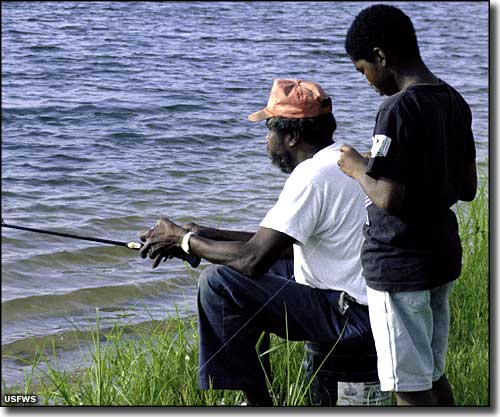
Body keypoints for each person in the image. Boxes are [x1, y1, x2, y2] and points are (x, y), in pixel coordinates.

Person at [139, 79, 374, 406]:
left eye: (269, 130)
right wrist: (204, 234)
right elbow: (279, 244)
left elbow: (253, 259)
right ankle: (262, 391)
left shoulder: (311, 177)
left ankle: (258, 404)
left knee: (219, 283)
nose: (266, 140)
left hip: (349, 317)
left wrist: (185, 240)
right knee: (247, 275)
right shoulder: (340, 160)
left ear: (291, 136)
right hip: (363, 306)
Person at [337, 4, 477, 406]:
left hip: (399, 265)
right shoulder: (453, 100)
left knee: (407, 386)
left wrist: (356, 166)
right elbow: (467, 188)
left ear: (382, 56)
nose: (366, 81)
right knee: (431, 372)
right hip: (439, 257)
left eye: (363, 70)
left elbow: (388, 197)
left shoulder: (396, 109)